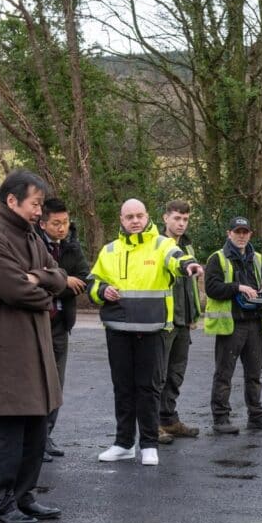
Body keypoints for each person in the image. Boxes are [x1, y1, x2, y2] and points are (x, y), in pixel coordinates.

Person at [0, 170, 67, 523]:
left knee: (35, 429)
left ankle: (24, 496)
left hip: (35, 348)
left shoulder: (31, 237)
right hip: (6, 349)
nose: (39, 212)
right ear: (12, 201)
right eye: (35, 204)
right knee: (9, 430)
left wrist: (39, 277)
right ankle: (1, 502)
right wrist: (43, 287)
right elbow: (15, 290)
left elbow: (59, 275)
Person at [89, 199, 203, 467]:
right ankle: (123, 444)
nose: (135, 220)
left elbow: (177, 259)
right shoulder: (109, 250)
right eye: (129, 216)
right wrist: (102, 290)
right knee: (123, 389)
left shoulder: (161, 244)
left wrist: (189, 265)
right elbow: (93, 282)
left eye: (139, 215)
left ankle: (149, 444)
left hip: (152, 330)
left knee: (149, 388)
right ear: (121, 219)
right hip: (118, 329)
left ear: (148, 216)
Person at [204, 216, 262, 434]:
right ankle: (221, 419)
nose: (241, 235)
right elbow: (212, 288)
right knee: (224, 374)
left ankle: (256, 416)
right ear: (229, 234)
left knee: (254, 373)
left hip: (254, 323)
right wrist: (238, 287)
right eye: (237, 231)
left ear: (250, 234)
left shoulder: (256, 257)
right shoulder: (217, 258)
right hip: (232, 324)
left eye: (245, 232)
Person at [38, 198, 90, 459]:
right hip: (38, 322)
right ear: (43, 223)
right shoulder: (34, 244)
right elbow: (34, 279)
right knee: (38, 382)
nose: (62, 228)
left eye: (65, 223)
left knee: (57, 382)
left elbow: (84, 278)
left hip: (61, 323)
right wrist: (63, 280)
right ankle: (35, 439)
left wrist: (60, 280)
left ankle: (46, 435)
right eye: (56, 223)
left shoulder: (71, 245)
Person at [157, 200, 203, 443]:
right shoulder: (156, 246)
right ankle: (153, 424)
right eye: (177, 218)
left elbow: (190, 286)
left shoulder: (188, 247)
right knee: (158, 374)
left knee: (176, 373)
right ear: (165, 218)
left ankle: (169, 420)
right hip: (163, 322)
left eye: (185, 219)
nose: (181, 223)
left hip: (183, 321)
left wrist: (192, 315)